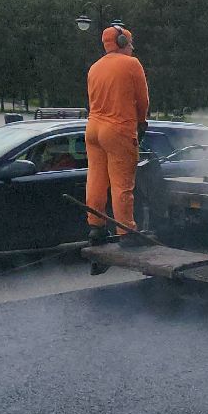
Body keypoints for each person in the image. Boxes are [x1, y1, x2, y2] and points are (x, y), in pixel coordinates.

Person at [85, 21, 149, 248]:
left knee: (96, 179)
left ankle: (96, 227)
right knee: (122, 183)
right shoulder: (131, 64)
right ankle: (126, 231)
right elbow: (143, 101)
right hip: (118, 129)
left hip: (93, 129)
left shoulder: (94, 68)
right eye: (130, 43)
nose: (132, 48)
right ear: (122, 42)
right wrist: (141, 123)